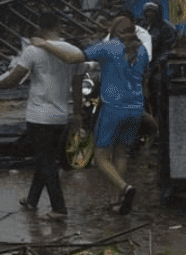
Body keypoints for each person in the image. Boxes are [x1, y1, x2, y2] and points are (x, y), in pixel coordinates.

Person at [36, 15, 149, 215]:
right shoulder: (142, 51)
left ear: (114, 32)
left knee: (100, 158)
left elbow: (72, 58)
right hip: (136, 108)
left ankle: (125, 188)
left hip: (113, 108)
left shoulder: (108, 47)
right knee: (121, 153)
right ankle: (116, 200)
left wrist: (44, 44)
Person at [0, 12, 82, 220]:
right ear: (59, 26)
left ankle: (59, 208)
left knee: (46, 161)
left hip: (39, 116)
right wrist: (78, 113)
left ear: (39, 27)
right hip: (61, 116)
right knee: (44, 158)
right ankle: (32, 200)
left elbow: (14, 79)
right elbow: (77, 85)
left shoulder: (33, 51)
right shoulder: (74, 51)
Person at [140, 1, 178, 130]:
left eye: (152, 11)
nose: (149, 14)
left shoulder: (166, 28)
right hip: (141, 67)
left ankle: (160, 122)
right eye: (147, 11)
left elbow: (168, 50)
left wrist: (154, 67)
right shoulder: (142, 27)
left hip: (158, 67)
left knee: (157, 89)